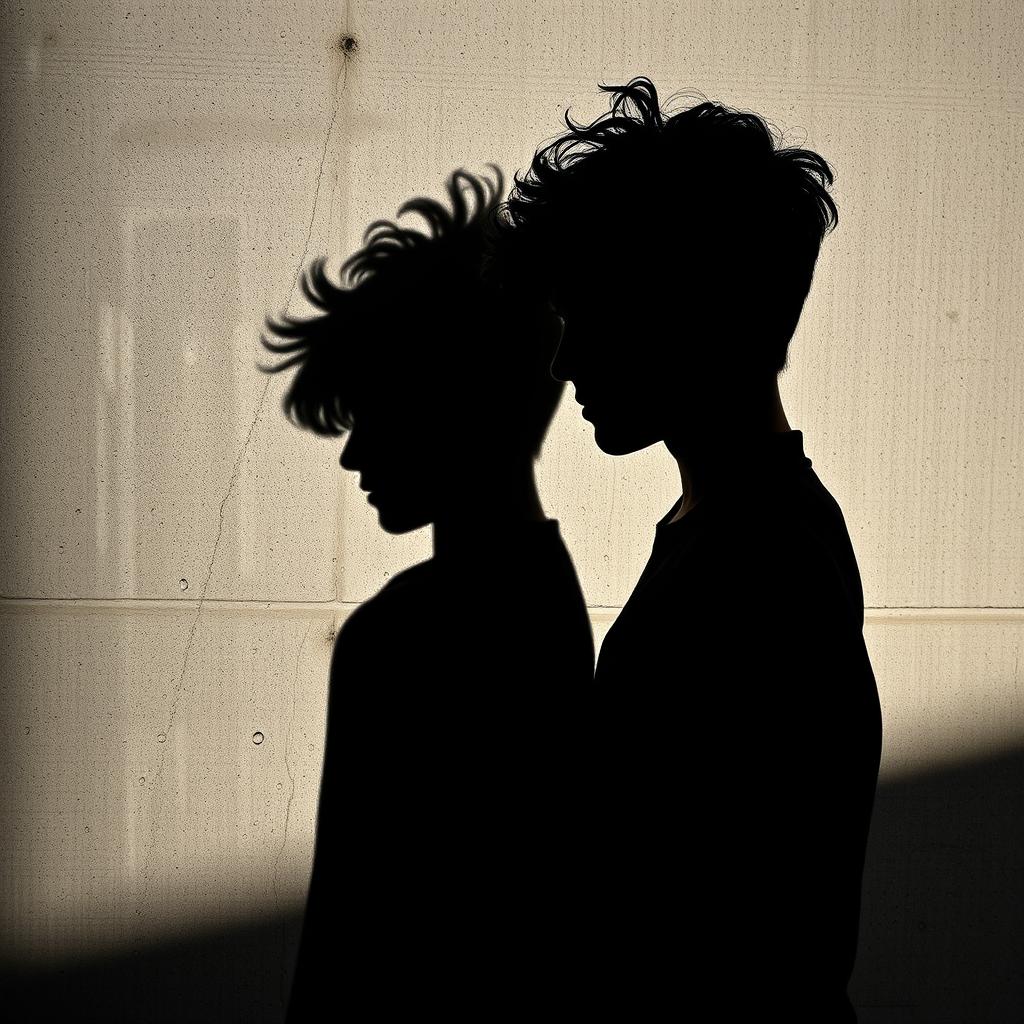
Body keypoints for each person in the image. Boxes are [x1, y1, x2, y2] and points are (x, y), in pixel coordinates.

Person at [492, 77, 883, 1020]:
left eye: (589, 313)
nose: (564, 360)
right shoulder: (755, 530)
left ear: (683, 308)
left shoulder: (752, 567)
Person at [258, 166, 595, 1019]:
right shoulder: (553, 607)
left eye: (373, 414)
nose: (351, 456)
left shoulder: (400, 638)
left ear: (449, 401)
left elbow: (341, 941)